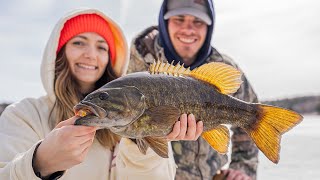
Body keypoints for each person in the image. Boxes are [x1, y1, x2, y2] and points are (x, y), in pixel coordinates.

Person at [0, 8, 202, 180]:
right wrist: (41, 162)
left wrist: (141, 141)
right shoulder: (23, 115)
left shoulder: (130, 118)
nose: (91, 54)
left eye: (101, 47)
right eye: (79, 42)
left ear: (110, 58)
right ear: (59, 52)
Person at [128, 0, 259, 179]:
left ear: (209, 27)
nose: (188, 29)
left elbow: (252, 120)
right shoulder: (137, 69)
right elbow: (119, 134)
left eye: (198, 22)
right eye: (179, 19)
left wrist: (242, 169)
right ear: (164, 23)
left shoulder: (224, 67)